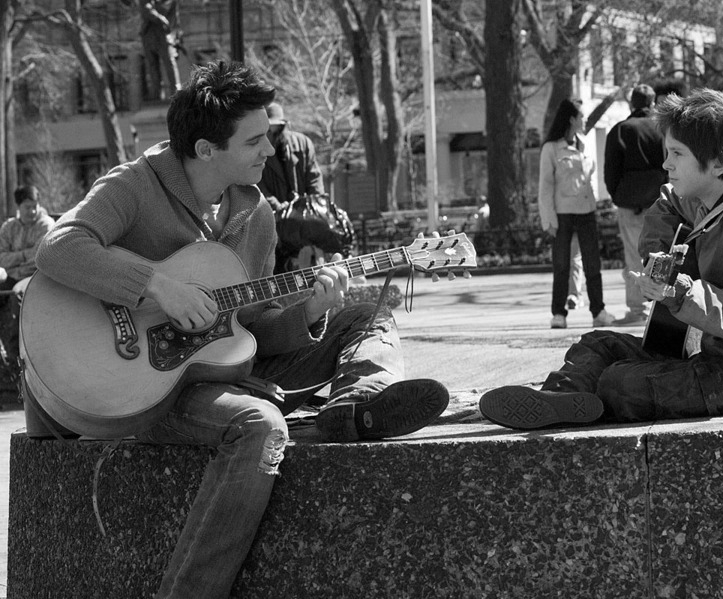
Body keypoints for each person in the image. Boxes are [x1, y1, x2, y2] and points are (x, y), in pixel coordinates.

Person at [31, 60, 449, 599]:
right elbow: (58, 248)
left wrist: (312, 313)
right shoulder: (134, 185)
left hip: (219, 364)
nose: (272, 152)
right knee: (260, 426)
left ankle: (357, 403)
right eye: (255, 141)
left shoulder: (256, 213)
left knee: (368, 315)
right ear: (206, 149)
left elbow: (247, 329)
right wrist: (158, 286)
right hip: (148, 386)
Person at [480, 89, 723, 429]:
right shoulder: (705, 196)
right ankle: (561, 400)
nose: (666, 164)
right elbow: (666, 203)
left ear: (719, 163)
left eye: (677, 154)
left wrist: (679, 291)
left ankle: (591, 402)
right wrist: (660, 260)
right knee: (598, 344)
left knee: (620, 381)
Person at [538, 98, 614, 330]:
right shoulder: (551, 148)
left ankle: (598, 311)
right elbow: (545, 186)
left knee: (593, 263)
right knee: (561, 265)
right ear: (571, 119)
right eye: (581, 116)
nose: (584, 120)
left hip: (586, 211)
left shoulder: (584, 144)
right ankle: (558, 313)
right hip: (562, 214)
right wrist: (548, 219)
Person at [603, 83, 666, 326]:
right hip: (661, 203)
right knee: (662, 255)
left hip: (630, 204)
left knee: (634, 257)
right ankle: (662, 309)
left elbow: (610, 172)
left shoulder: (620, 130)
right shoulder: (662, 129)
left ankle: (637, 310)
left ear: (632, 103)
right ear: (652, 103)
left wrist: (618, 196)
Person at [0, 185, 55, 363]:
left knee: (18, 295)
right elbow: (1, 258)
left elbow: (37, 258)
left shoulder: (45, 225)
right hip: (9, 275)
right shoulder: (8, 227)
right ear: (18, 207)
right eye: (27, 206)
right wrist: (24, 254)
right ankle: (4, 357)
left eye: (35, 206)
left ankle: (18, 356)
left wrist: (14, 258)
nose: (32, 211)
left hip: (33, 276)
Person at [258, 101, 325, 214]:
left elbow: (314, 181)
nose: (269, 134)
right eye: (266, 130)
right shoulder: (257, 150)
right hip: (273, 217)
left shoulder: (303, 144)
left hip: (305, 215)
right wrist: (277, 207)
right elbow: (257, 187)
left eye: (272, 129)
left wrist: (314, 207)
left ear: (282, 126)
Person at [138, 0, 182, 101]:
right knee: (153, 66)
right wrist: (161, 19)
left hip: (164, 36)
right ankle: (157, 93)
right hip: (150, 36)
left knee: (170, 62)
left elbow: (175, 17)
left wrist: (177, 36)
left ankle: (176, 90)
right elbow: (147, 10)